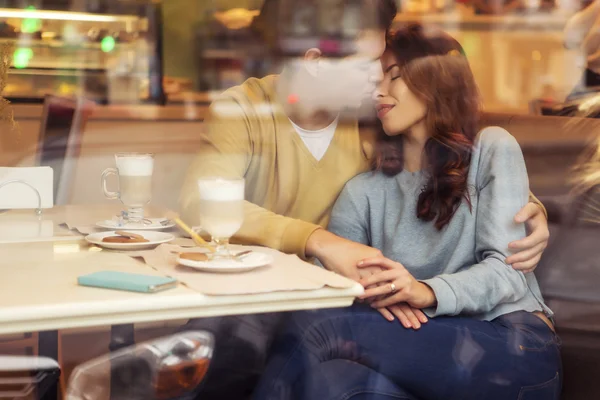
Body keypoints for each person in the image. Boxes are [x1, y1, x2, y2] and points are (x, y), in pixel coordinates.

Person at [252, 24, 562, 400]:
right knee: (336, 382)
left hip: (510, 345)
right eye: (376, 79)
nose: (379, 90)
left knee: (320, 328)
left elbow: (508, 272)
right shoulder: (364, 190)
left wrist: (425, 291)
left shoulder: (491, 148)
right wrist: (366, 290)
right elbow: (332, 290)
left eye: (395, 77)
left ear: (436, 81)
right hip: (416, 346)